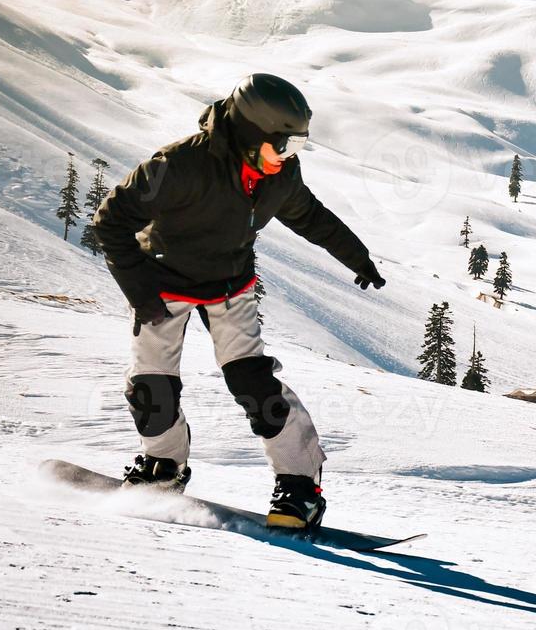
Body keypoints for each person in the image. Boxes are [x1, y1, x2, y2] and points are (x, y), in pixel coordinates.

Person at [94, 73, 385, 530]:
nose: (288, 157)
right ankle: (163, 466)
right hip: (163, 283)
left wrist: (358, 257)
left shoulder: (279, 174)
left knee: (253, 383)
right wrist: (140, 290)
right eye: (281, 146)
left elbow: (309, 215)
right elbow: (110, 220)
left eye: (296, 148)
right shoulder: (177, 166)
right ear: (251, 135)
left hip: (230, 285)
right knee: (151, 387)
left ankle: (300, 485)